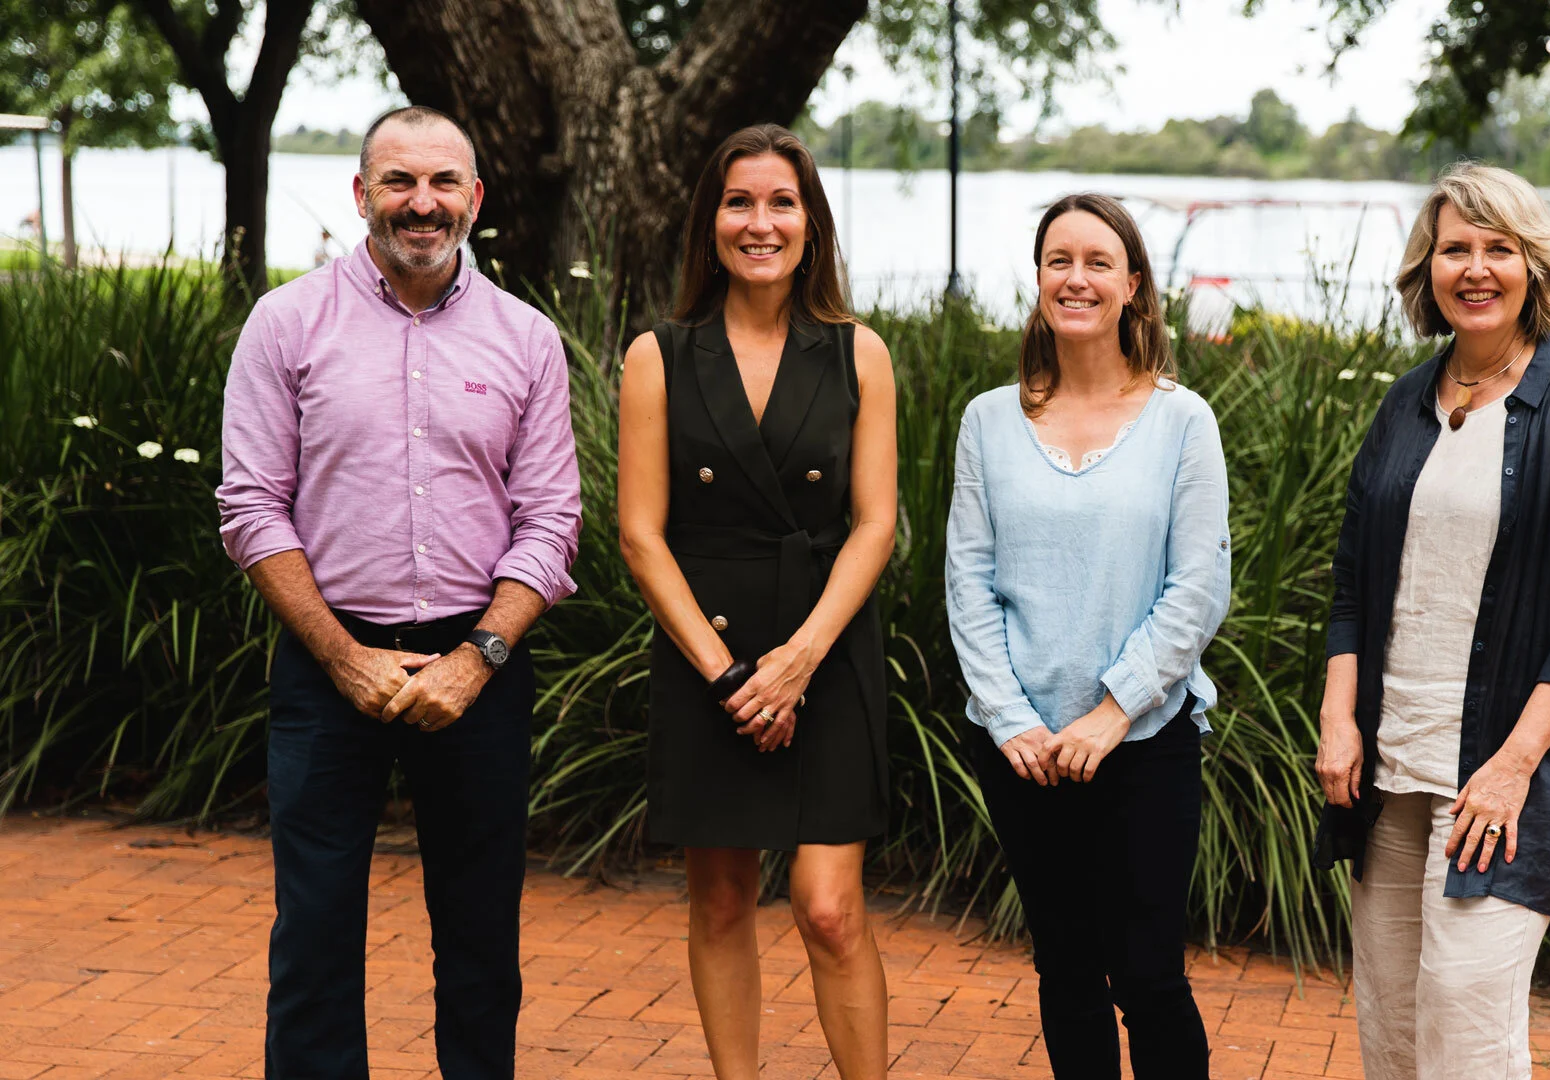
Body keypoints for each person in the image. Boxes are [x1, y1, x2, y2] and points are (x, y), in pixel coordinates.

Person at [216, 105, 582, 1079]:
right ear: (361, 194)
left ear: (475, 198)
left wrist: (477, 659)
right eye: (399, 182)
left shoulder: (527, 339)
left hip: (480, 664)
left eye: (443, 182)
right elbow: (251, 508)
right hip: (325, 661)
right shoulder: (287, 324)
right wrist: (342, 658)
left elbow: (551, 521)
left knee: (480, 939)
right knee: (314, 935)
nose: (423, 204)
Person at [1311, 162, 1550, 1079]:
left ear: (1533, 266)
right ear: (1427, 269)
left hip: (1504, 778)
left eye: (1499, 248)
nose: (1475, 269)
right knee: (1392, 1032)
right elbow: (1352, 582)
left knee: (1465, 1039)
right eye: (1455, 248)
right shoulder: (1406, 402)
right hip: (1391, 766)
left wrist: (1511, 768)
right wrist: (1339, 718)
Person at [616, 123, 897, 1080]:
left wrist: (799, 661)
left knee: (829, 907)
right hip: (709, 652)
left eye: (783, 203)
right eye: (739, 202)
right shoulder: (658, 355)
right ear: (710, 223)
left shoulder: (860, 354)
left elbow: (875, 525)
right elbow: (640, 536)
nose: (760, 223)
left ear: (812, 225)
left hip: (827, 645)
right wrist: (731, 675)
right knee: (724, 902)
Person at [945, 192, 1230, 1080]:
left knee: (1148, 977)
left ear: (1133, 285)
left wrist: (1114, 711)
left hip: (1143, 741)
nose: (1077, 278)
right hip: (1024, 750)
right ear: (1038, 280)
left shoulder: (1183, 421)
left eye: (1098, 263)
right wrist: (1010, 719)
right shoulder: (988, 421)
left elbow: (1198, 587)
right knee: (1065, 971)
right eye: (1059, 261)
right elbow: (968, 580)